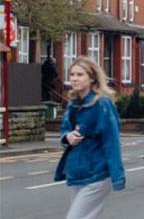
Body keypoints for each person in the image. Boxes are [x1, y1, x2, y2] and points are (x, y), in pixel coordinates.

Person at [54, 56, 125, 219]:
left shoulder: (102, 104)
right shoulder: (73, 104)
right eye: (72, 74)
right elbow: (65, 129)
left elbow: (111, 141)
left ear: (92, 78)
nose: (74, 78)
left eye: (80, 74)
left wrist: (117, 176)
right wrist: (68, 137)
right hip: (77, 173)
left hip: (97, 174)